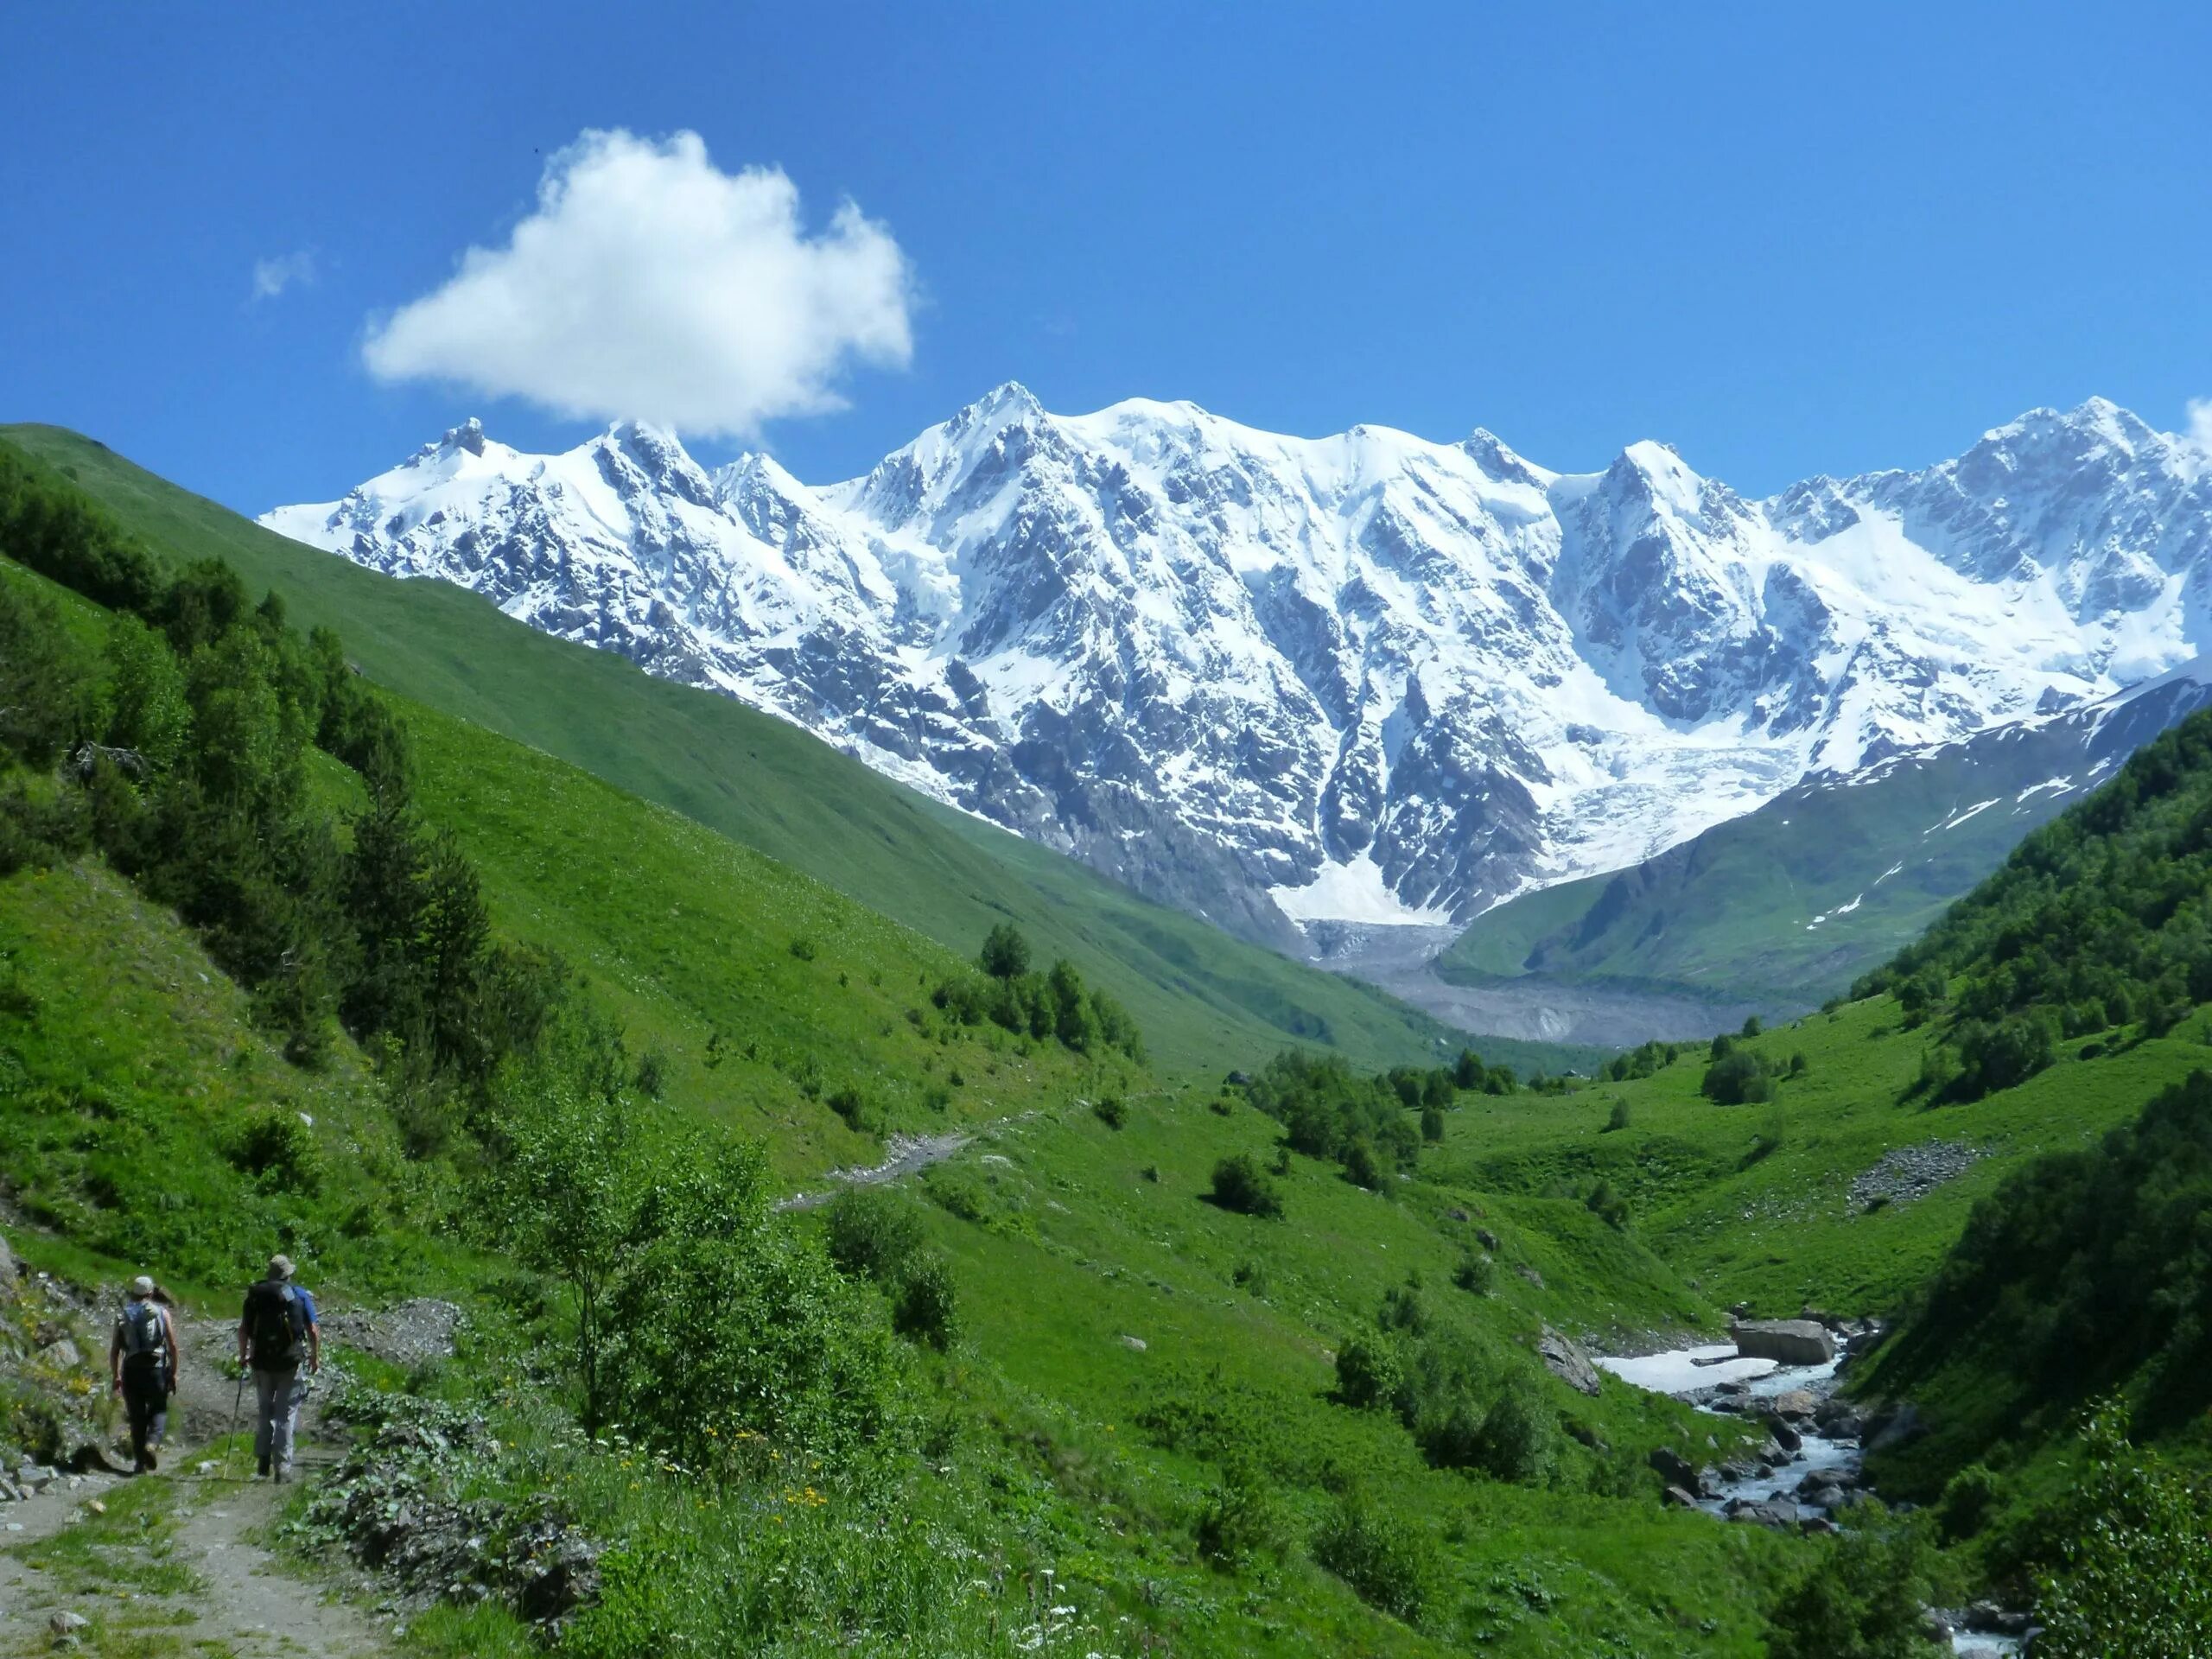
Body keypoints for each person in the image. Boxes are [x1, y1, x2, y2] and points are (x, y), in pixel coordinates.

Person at [237, 1254, 320, 1482]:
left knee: (265, 1411)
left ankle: (262, 1463)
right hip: (289, 1363)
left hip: (261, 1362)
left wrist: (243, 1355)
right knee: (286, 1414)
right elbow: (312, 1329)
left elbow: (244, 1330)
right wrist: (314, 1356)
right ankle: (282, 1469)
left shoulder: (255, 1297)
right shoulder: (299, 1294)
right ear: (288, 1274)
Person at [108, 1275, 179, 1473]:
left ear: (133, 1293)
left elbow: (115, 1350)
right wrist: (173, 1373)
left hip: (131, 1370)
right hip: (155, 1369)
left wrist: (116, 1376)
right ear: (151, 1293)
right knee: (159, 1409)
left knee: (137, 1417)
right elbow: (172, 1345)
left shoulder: (123, 1315)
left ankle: (139, 1464)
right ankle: (152, 1444)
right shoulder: (161, 1313)